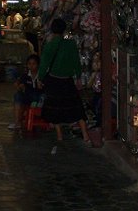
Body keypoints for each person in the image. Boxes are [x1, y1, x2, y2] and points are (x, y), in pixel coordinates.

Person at [40, 17, 91, 149]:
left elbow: (44, 64)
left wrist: (40, 78)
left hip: (54, 81)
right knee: (77, 107)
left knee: (55, 108)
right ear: (64, 30)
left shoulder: (50, 44)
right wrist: (79, 77)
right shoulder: (71, 44)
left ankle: (59, 135)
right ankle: (85, 135)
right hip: (67, 81)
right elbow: (76, 62)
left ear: (52, 29)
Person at [10, 53, 43, 132]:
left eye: (33, 64)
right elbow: (19, 85)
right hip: (28, 97)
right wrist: (19, 86)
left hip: (39, 97)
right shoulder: (25, 76)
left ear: (38, 65)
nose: (31, 66)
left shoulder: (42, 75)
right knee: (17, 96)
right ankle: (17, 122)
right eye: (29, 64)